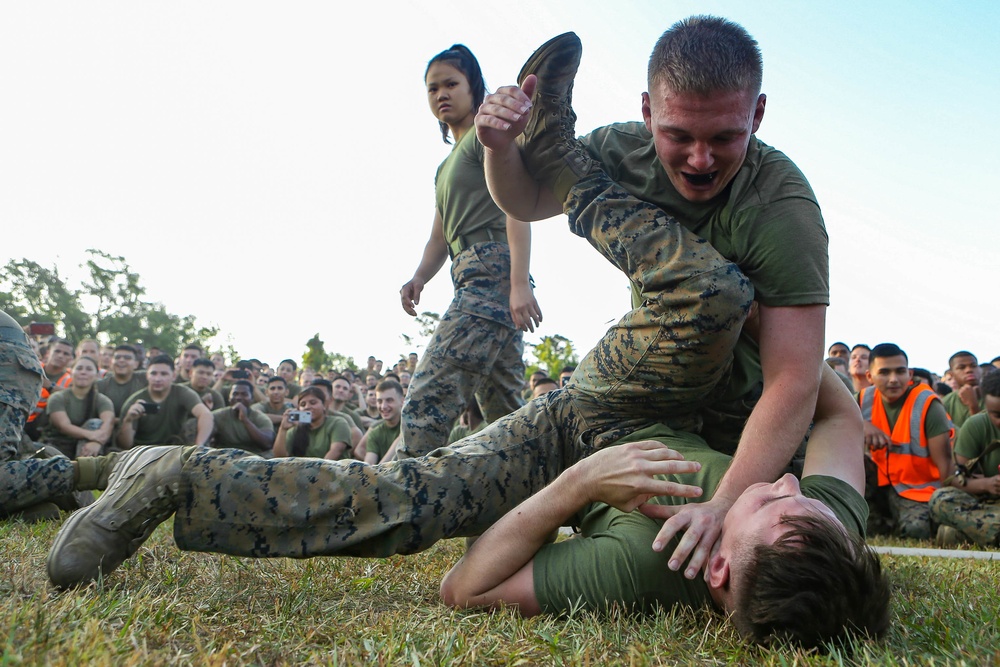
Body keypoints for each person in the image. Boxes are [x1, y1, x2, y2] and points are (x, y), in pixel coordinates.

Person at [48, 21, 829, 604]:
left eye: (723, 137)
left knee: (716, 295)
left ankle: (171, 471)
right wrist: (499, 149)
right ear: (646, 112)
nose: (699, 159)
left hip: (695, 428)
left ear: (758, 114)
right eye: (678, 136)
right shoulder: (625, 147)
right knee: (409, 494)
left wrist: (724, 507)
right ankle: (172, 477)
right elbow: (522, 199)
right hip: (609, 402)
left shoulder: (782, 207)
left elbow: (794, 382)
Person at [440, 365, 889, 648]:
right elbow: (841, 417)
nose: (788, 482)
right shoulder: (824, 534)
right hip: (687, 396)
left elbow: (463, 590)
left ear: (718, 567)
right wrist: (779, 328)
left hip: (577, 427)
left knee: (432, 491)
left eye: (771, 503)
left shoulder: (639, 566)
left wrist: (581, 482)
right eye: (798, 495)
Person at [397, 43, 541, 459]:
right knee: (504, 417)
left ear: (472, 86)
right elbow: (439, 238)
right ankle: (532, 515)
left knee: (426, 403)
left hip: (494, 274)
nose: (441, 94)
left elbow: (517, 207)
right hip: (469, 275)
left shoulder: (486, 134)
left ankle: (403, 512)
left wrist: (517, 284)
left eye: (450, 84)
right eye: (432, 88)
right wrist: (419, 277)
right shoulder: (445, 167)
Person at [0, 310, 118, 522]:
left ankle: (107, 469)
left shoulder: (96, 398)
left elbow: (106, 420)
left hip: (5, 356)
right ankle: (28, 506)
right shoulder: (60, 397)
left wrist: (96, 439)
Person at [859, 343, 952, 539]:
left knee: (915, 531)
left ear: (909, 374)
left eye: (900, 371)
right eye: (884, 372)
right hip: (879, 483)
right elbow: (832, 422)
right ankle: (881, 521)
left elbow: (946, 466)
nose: (893, 379)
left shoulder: (927, 404)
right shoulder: (861, 399)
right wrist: (860, 424)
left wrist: (946, 507)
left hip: (917, 490)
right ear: (869, 377)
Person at [929, 370, 1000, 546]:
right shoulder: (976, 425)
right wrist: (987, 484)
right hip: (988, 505)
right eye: (996, 415)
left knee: (952, 532)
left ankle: (965, 535)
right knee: (940, 499)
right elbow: (954, 478)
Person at [117, 355, 214, 449]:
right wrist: (129, 420)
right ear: (147, 375)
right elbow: (125, 445)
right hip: (142, 452)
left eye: (164, 374)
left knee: (193, 423)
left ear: (174, 376)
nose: (158, 379)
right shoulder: (134, 401)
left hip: (173, 449)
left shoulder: (182, 392)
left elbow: (206, 415)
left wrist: (199, 445)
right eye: (153, 373)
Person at [41, 356, 115, 459]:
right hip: (57, 445)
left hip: (86, 447)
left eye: (89, 369)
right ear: (71, 372)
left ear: (96, 375)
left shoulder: (102, 400)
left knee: (95, 423)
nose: (83, 372)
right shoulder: (58, 397)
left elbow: (108, 425)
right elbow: (64, 426)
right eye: (79, 368)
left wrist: (96, 442)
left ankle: (84, 467)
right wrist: (91, 435)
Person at [272, 386, 352, 460]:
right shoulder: (295, 429)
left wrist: (317, 473)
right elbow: (279, 458)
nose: (307, 407)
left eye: (313, 403)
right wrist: (283, 429)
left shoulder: (337, 423)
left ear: (324, 405)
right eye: (303, 404)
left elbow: (336, 451)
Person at [209, 381, 275, 457]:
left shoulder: (261, 418)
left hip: (253, 457)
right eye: (235, 394)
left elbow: (267, 444)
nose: (239, 398)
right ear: (229, 398)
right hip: (225, 456)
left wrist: (245, 420)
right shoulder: (218, 415)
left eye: (244, 394)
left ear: (252, 399)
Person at [96, 344, 147, 418]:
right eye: (117, 357)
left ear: (136, 364)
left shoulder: (145, 379)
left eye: (127, 358)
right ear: (111, 362)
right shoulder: (100, 386)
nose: (121, 360)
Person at [362, 379, 404, 464]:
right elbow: (369, 465)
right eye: (379, 401)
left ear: (402, 401)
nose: (383, 406)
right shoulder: (375, 433)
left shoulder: (413, 425)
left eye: (389, 400)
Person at [942, 351, 985, 428]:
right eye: (961, 367)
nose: (969, 370)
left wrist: (973, 406)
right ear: (952, 374)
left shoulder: (994, 396)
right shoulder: (945, 403)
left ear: (980, 369)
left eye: (973, 366)